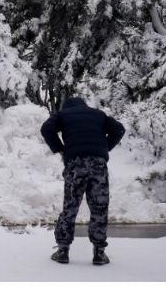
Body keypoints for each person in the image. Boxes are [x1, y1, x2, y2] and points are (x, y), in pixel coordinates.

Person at [41, 97, 126, 266]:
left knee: (70, 207)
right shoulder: (98, 114)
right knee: (99, 208)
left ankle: (63, 251)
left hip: (76, 164)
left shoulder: (63, 115)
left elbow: (46, 129)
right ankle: (99, 253)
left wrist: (60, 149)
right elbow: (119, 129)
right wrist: (103, 147)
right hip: (98, 165)